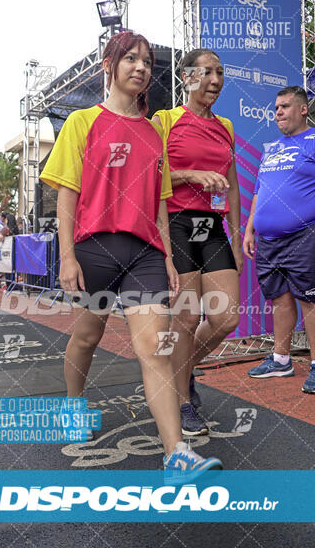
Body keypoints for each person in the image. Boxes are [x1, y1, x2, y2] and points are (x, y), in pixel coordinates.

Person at [40, 31, 223, 478]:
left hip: (145, 255)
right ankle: (72, 405)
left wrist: (165, 255)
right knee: (87, 337)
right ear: (109, 65)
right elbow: (67, 199)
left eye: (146, 62)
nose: (141, 68)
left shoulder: (153, 132)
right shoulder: (82, 122)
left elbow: (160, 200)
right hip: (95, 248)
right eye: (131, 59)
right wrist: (67, 256)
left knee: (153, 349)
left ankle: (176, 454)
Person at [152, 48, 242, 436]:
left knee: (226, 318)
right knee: (187, 318)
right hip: (176, 222)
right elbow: (151, 180)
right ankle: (184, 403)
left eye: (220, 73)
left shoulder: (226, 126)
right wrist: (190, 174)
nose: (215, 80)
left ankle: (181, 374)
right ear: (187, 77)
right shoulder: (165, 120)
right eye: (207, 72)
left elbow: (233, 185)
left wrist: (236, 236)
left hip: (213, 226)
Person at [243, 86, 315, 394]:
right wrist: (249, 229)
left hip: (304, 234)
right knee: (279, 299)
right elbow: (260, 189)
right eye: (275, 108)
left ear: (302, 109)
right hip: (268, 240)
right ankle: (281, 359)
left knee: (309, 300)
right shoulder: (271, 147)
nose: (278, 113)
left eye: (284, 107)